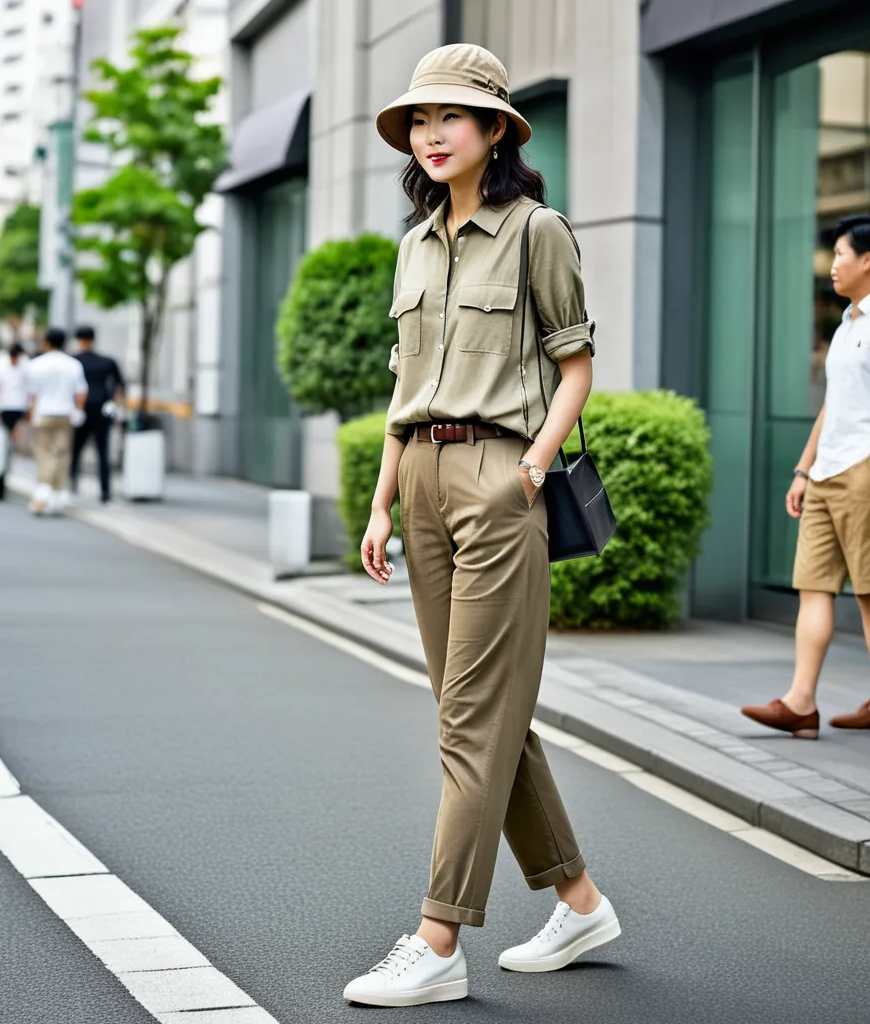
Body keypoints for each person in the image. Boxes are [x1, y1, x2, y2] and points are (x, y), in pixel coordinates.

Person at [342, 45, 618, 1009]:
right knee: (483, 715)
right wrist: (380, 499)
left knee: (470, 717)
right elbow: (399, 388)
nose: (432, 133)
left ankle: (438, 937)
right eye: (420, 120)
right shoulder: (414, 245)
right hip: (418, 475)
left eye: (452, 117)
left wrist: (532, 469)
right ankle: (579, 901)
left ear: (496, 129)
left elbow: (575, 363)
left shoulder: (539, 230)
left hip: (501, 475)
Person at [742, 215, 870, 742]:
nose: (832, 264)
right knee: (812, 588)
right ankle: (801, 704)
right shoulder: (847, 324)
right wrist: (802, 469)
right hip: (826, 471)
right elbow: (833, 405)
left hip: (865, 469)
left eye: (840, 253)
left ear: (868, 261)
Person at [26, 327, 88, 515]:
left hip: (44, 413)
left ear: (46, 342)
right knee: (62, 453)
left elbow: (32, 394)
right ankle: (59, 493)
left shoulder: (36, 364)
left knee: (45, 453)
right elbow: (81, 392)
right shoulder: (73, 364)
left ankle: (43, 492)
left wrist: (32, 413)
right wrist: (79, 411)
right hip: (66, 414)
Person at [71, 324, 125, 503]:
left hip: (82, 409)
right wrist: (114, 404)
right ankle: (105, 491)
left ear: (79, 340)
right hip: (102, 409)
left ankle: (72, 485)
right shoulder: (107, 361)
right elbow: (120, 386)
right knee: (103, 452)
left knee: (76, 450)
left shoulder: (74, 361)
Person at [0, 342, 30, 443]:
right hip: (4, 405)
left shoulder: (25, 363)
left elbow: (29, 387)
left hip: (20, 405)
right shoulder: (0, 364)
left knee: (17, 435)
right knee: (5, 434)